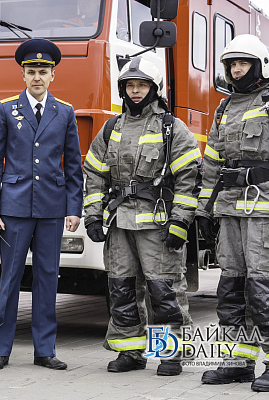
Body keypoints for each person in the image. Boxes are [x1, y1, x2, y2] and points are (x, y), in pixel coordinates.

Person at [83, 57, 200, 376]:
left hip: (157, 224)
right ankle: (130, 352)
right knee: (121, 289)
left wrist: (180, 222)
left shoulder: (171, 128)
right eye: (130, 86)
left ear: (154, 89)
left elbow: (189, 178)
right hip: (119, 222)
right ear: (123, 90)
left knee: (164, 291)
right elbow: (94, 174)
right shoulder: (111, 128)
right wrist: (92, 216)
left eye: (142, 85)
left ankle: (170, 354)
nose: (135, 91)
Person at [196, 34, 269, 393]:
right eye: (232, 64)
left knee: (267, 289)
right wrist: (204, 210)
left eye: (243, 63)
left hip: (267, 213)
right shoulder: (224, 109)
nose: (237, 70)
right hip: (230, 212)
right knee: (232, 289)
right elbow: (212, 162)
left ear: (260, 65)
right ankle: (238, 361)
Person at [0, 38, 83, 371]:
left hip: (52, 208)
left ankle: (45, 350)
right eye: (31, 72)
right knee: (10, 278)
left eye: (43, 71)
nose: (37, 77)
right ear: (23, 75)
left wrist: (74, 208)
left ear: (53, 75)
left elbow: (73, 165)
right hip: (13, 208)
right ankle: (0, 350)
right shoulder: (5, 109)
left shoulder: (64, 111)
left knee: (47, 279)